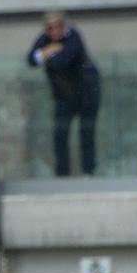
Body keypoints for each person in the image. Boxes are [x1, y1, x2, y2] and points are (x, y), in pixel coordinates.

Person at [27, 12, 101, 176]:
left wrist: (46, 54)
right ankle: (62, 173)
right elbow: (31, 59)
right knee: (60, 135)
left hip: (86, 94)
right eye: (50, 27)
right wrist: (50, 50)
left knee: (86, 133)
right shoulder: (45, 40)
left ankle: (89, 171)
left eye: (58, 26)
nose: (54, 31)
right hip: (63, 96)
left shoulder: (73, 36)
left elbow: (63, 61)